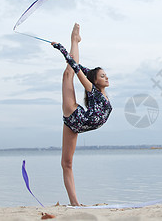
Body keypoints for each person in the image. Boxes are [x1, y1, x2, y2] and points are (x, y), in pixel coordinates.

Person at [51, 23, 112, 206]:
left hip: (79, 126)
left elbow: (80, 67)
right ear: (95, 81)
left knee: (66, 164)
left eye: (106, 75)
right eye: (102, 76)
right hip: (75, 116)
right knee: (68, 74)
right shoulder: (93, 90)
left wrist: (76, 63)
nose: (106, 77)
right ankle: (74, 40)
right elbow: (77, 69)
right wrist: (61, 48)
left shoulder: (100, 92)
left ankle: (74, 204)